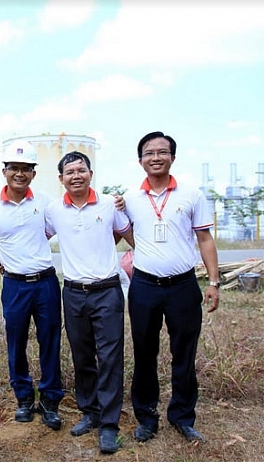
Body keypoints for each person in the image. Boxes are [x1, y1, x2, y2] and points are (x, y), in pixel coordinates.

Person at [124, 131, 220, 443]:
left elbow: (205, 240)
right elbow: (108, 234)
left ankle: (182, 416)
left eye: (162, 152)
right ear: (140, 160)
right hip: (144, 287)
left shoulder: (191, 195)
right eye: (149, 153)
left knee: (184, 353)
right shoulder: (128, 199)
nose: (156, 157)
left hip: (182, 287)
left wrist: (214, 282)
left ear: (172, 158)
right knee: (144, 352)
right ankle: (146, 417)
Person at [0, 140, 63, 431]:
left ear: (33, 173)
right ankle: (23, 398)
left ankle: (49, 400)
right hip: (14, 286)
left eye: (26, 169)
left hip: (45, 282)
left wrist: (25, 253)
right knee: (16, 342)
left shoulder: (45, 202)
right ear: (4, 171)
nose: (19, 174)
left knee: (50, 341)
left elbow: (47, 232)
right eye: (14, 169)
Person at [45, 151, 133, 454]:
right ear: (61, 179)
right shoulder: (55, 210)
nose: (76, 176)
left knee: (109, 358)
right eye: (69, 172)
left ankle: (109, 426)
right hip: (72, 292)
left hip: (107, 291)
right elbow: (35, 237)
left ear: (90, 174)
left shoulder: (110, 204)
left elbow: (128, 235)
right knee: (82, 356)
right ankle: (90, 412)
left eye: (81, 170)